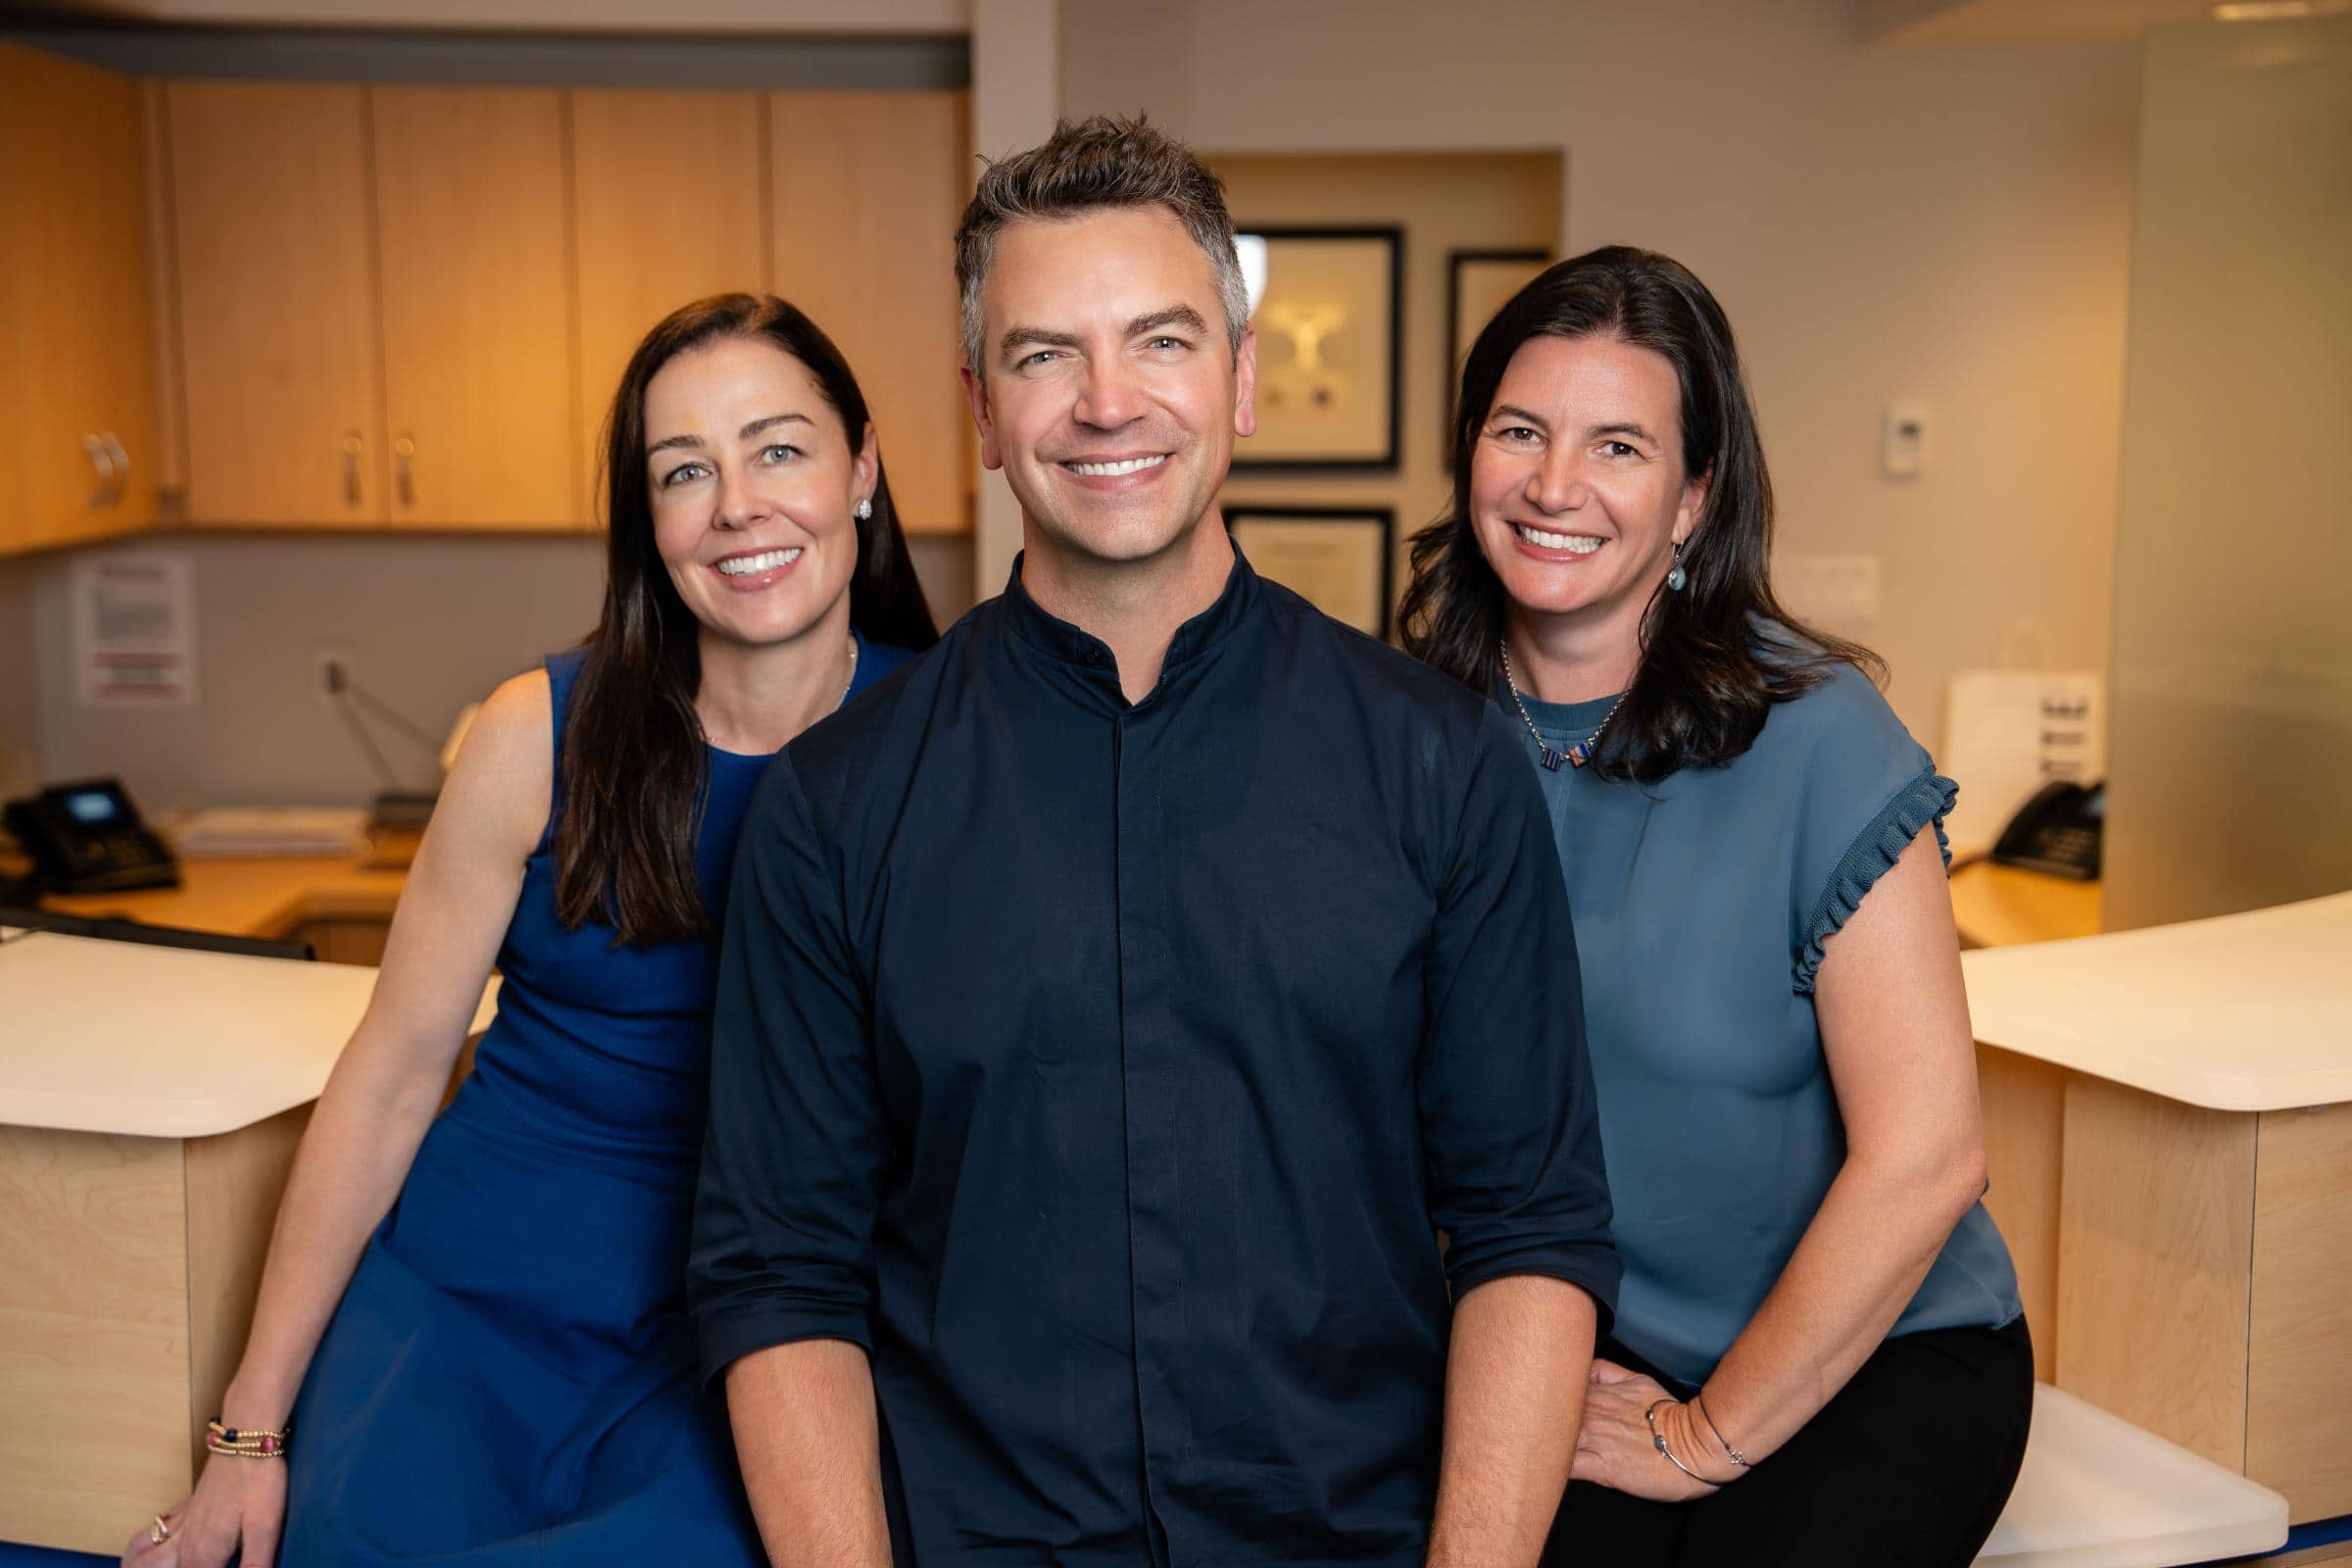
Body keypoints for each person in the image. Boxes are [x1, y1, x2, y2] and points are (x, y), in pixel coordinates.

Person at [689, 115, 1620, 1568]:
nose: (1106, 403)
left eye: (1162, 343)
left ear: (1241, 382)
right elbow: (777, 1276)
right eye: (1043, 354)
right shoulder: (832, 808)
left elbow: (1530, 1230)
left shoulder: (1440, 763)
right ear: (980, 412)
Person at [123, 293, 936, 1568]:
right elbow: (389, 1083)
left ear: (864, 468)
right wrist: (246, 1438)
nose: (737, 504)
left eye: (779, 448)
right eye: (684, 471)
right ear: (647, 519)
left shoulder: (947, 738)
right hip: (463, 1310)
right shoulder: (535, 732)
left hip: (743, 1343)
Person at [1399, 246, 2031, 1566]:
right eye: (1521, 431)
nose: (1557, 485)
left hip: (1863, 1362)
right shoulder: (1403, 734)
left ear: (1693, 499)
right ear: (1471, 459)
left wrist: (1707, 1437)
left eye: (1618, 446)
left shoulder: (1819, 739)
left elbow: (1928, 1159)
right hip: (1562, 1346)